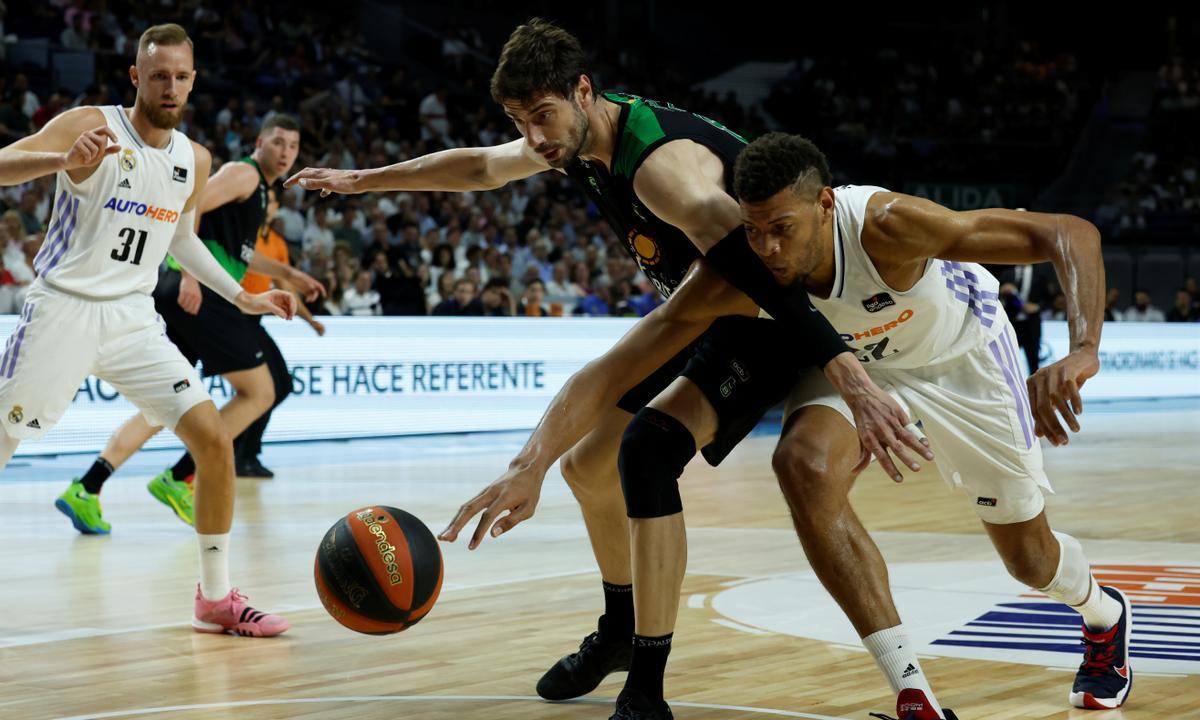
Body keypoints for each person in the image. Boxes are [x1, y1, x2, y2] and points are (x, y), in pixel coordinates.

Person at [297, 19, 930, 720]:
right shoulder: (574, 138)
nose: (534, 137)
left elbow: (764, 267)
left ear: (583, 91)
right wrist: (363, 180)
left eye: (541, 116)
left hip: (768, 319)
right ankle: (621, 632)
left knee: (646, 452)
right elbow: (480, 167)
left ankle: (647, 687)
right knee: (584, 467)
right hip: (703, 311)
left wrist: (844, 370)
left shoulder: (661, 171)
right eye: (519, 120)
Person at [443, 132, 1130, 719]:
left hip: (961, 357)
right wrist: (531, 463)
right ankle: (912, 692)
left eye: (783, 228)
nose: (767, 247)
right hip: (864, 368)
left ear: (825, 205)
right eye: (754, 228)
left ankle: (1101, 612)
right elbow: (616, 365)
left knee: (1029, 561)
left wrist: (1083, 349)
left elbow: (1069, 232)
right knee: (799, 465)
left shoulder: (888, 226)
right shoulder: (738, 271)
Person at [0, 23, 290, 636]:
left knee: (213, 440)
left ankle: (215, 597)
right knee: (4, 438)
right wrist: (60, 160)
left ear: (193, 80)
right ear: (136, 76)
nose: (171, 86)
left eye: (181, 76)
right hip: (65, 308)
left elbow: (183, 240)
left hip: (133, 318)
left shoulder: (195, 159)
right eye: (159, 75)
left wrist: (242, 296)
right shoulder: (91, 124)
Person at [55, 113, 324, 531]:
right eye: (278, 142)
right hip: (201, 296)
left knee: (162, 404)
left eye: (293, 145)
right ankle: (180, 477)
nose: (287, 152)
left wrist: (289, 274)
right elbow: (187, 208)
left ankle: (87, 487)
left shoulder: (260, 191)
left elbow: (238, 252)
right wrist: (190, 275)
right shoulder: (243, 174)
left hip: (191, 297)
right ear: (259, 142)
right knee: (261, 390)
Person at [235, 186, 326, 477]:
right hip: (235, 313)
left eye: (272, 201)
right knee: (268, 387)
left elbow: (287, 290)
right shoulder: (240, 231)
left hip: (253, 319)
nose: (269, 205)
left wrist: (311, 322)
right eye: (268, 199)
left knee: (280, 386)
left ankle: (243, 448)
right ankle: (241, 451)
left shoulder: (276, 242)